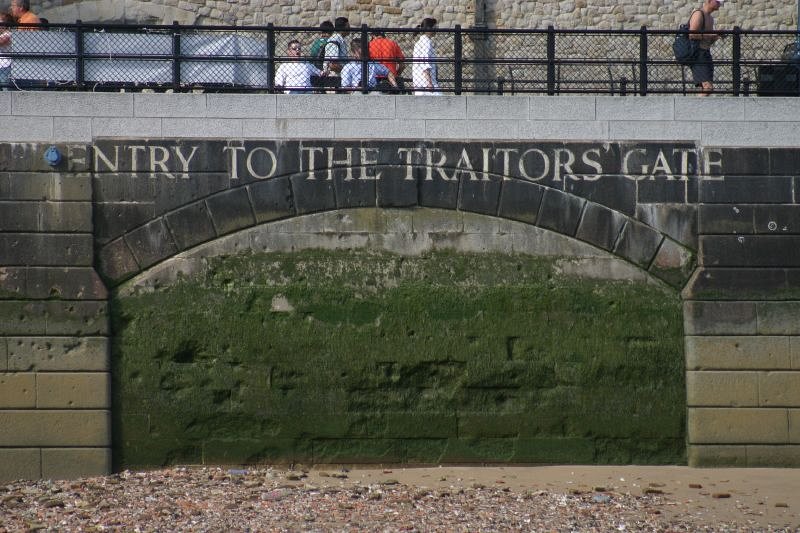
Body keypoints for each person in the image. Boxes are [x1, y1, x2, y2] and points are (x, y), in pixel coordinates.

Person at [689, 0, 723, 96]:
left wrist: (716, 36)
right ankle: (694, 106)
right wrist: (712, 35)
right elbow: (692, 35)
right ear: (709, 1)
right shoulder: (699, 14)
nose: (720, 3)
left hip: (706, 53)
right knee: (708, 87)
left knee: (704, 88)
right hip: (698, 54)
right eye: (718, 1)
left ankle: (697, 104)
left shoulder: (710, 18)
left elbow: (708, 40)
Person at [412, 17, 440, 95]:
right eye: (435, 27)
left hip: (419, 81)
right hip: (426, 82)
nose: (436, 29)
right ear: (429, 29)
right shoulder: (426, 42)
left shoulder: (419, 42)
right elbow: (424, 61)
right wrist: (429, 82)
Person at [0, 12, 10, 88]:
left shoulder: (8, 34)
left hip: (5, 64)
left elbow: (1, 42)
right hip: (2, 64)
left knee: (4, 85)